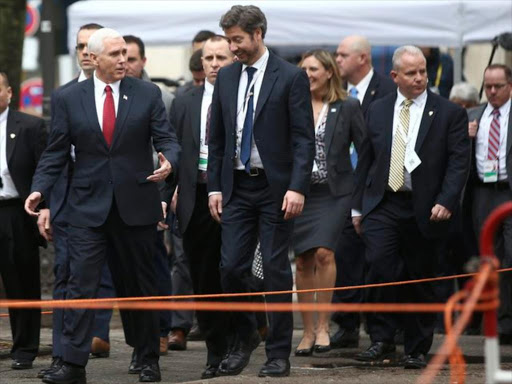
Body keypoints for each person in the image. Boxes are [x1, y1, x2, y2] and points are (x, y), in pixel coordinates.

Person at [25, 28, 180, 383]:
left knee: (138, 286)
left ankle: (146, 357)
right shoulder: (68, 97)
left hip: (135, 205)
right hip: (85, 208)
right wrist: (39, 190)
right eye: (115, 54)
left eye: (125, 53)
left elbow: (167, 138)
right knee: (79, 284)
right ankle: (71, 364)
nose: (123, 59)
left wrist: (169, 161)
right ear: (94, 59)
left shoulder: (147, 92)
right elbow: (56, 151)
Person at [207, 5, 315, 377]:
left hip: (275, 188)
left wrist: (297, 187)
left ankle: (278, 353)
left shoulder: (289, 77)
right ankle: (245, 335)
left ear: (258, 34)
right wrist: (214, 189)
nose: (233, 47)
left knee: (274, 270)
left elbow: (303, 139)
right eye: (229, 40)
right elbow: (217, 138)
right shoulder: (226, 77)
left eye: (238, 40)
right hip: (236, 186)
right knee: (231, 268)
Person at [352, 45, 469, 369]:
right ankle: (381, 338)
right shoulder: (377, 109)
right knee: (378, 266)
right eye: (411, 73)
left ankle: (416, 347)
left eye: (422, 72)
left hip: (425, 206)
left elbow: (459, 163)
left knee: (421, 276)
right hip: (383, 203)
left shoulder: (448, 112)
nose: (419, 78)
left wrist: (446, 200)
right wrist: (357, 207)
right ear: (395, 76)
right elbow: (366, 159)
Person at [35, 23, 117, 380]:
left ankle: (118, 344)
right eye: (80, 45)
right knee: (67, 279)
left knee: (113, 280)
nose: (85, 52)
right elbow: (55, 155)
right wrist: (48, 202)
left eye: (90, 45)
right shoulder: (65, 96)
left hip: (118, 203)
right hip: (72, 203)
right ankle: (64, 357)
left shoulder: (130, 92)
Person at [170, 35, 235, 379]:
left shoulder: (242, 98)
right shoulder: (185, 101)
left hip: (236, 197)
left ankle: (242, 337)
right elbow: (175, 148)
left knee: (235, 272)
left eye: (220, 57)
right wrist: (172, 191)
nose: (213, 63)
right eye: (208, 57)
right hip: (196, 196)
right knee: (204, 276)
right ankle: (215, 350)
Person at [293, 50, 365, 356]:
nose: (308, 74)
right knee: (302, 260)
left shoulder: (347, 105)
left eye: (314, 69)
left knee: (324, 253)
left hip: (335, 193)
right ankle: (307, 331)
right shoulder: (292, 105)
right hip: (299, 192)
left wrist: (360, 196)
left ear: (329, 72)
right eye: (304, 69)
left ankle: (324, 326)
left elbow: (365, 150)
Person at [331, 35, 396, 349]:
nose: (337, 60)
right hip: (340, 186)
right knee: (342, 256)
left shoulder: (387, 91)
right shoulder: (336, 93)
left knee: (375, 259)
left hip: (374, 188)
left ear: (363, 58)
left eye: (343, 55)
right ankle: (345, 324)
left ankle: (379, 327)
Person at [123, 33, 180, 356]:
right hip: (113, 198)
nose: (125, 64)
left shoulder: (159, 97)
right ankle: (137, 339)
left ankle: (161, 329)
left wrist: (163, 194)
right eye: (120, 57)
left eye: (131, 58)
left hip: (151, 194)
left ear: (143, 61)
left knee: (155, 264)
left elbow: (168, 147)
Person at [0, 70, 47, 370]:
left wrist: (46, 207)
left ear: (8, 92)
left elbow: (46, 170)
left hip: (15, 210)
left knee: (22, 280)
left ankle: (25, 347)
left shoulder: (29, 127)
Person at [467, 64, 512, 344]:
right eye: (488, 86)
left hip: (508, 191)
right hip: (482, 193)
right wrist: (466, 136)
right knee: (489, 259)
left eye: (498, 86)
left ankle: (506, 320)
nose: (492, 92)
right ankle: (496, 322)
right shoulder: (473, 116)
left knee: (510, 255)